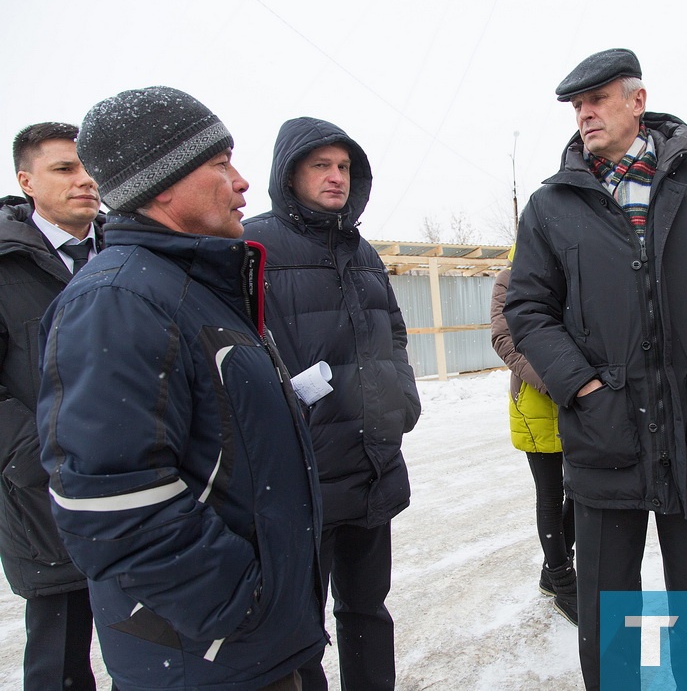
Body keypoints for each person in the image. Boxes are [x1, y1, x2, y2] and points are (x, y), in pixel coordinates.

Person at [35, 87, 326, 691]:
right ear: (160, 184)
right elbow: (108, 500)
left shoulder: (192, 285)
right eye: (220, 164)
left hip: (256, 646)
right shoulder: (117, 300)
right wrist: (237, 605)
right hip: (209, 657)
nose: (242, 182)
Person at [504, 48, 687, 690]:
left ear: (637, 101)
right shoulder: (551, 206)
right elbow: (528, 308)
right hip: (605, 432)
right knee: (611, 608)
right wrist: (584, 387)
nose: (584, 114)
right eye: (576, 105)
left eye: (597, 100)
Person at [242, 117, 420, 690]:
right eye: (321, 165)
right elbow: (236, 348)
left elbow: (392, 329)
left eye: (344, 167)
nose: (336, 177)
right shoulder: (254, 244)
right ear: (289, 173)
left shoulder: (362, 250)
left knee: (368, 613)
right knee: (299, 628)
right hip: (301, 477)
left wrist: (401, 397)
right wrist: (288, 408)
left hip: (371, 464)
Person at [0, 122, 102, 690]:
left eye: (89, 169)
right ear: (27, 181)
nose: (85, 181)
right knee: (59, 657)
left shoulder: (127, 252)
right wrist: (40, 460)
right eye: (65, 169)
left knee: (158, 648)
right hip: (44, 501)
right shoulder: (3, 266)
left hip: (137, 491)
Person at [490, 247, 576, 625]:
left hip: (577, 397)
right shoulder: (510, 276)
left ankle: (552, 568)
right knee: (550, 493)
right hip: (536, 397)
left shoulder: (572, 269)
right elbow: (503, 338)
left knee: (580, 489)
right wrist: (549, 381)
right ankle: (562, 582)